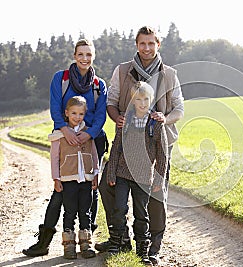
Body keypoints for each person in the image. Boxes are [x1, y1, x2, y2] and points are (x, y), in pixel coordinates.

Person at [97, 26, 184, 265]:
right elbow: (111, 102)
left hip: (158, 143)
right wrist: (118, 119)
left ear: (158, 45)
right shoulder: (123, 70)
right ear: (136, 45)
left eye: (151, 44)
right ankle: (121, 238)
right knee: (107, 185)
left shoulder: (170, 74)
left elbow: (179, 108)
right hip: (126, 143)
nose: (146, 48)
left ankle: (151, 248)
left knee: (155, 195)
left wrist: (165, 119)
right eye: (142, 44)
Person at [22, 38, 108, 257]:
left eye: (89, 54)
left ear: (93, 57)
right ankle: (44, 241)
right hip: (66, 138)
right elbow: (54, 106)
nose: (85, 58)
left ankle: (87, 238)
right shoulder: (60, 79)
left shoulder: (99, 85)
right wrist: (65, 130)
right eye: (81, 54)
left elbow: (99, 115)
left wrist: (88, 134)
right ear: (74, 55)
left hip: (91, 138)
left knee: (91, 190)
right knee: (61, 192)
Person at [106, 81, 168, 265]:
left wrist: (159, 177)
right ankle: (117, 243)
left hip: (143, 178)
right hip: (122, 174)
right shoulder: (125, 121)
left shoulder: (156, 124)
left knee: (141, 214)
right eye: (138, 99)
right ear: (133, 101)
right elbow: (116, 148)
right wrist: (111, 173)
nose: (142, 103)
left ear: (151, 100)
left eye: (146, 99)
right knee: (119, 209)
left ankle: (142, 249)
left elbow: (162, 154)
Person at [48, 96, 98, 259]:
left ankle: (85, 244)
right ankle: (69, 245)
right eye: (74, 113)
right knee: (69, 212)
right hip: (68, 180)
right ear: (67, 113)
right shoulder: (58, 135)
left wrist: (95, 174)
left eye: (81, 114)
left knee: (85, 212)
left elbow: (94, 154)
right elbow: (55, 158)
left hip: (86, 180)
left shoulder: (88, 132)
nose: (77, 117)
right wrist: (57, 178)